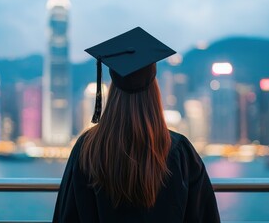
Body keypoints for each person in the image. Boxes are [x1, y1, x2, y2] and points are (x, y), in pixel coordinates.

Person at [53, 27, 220, 223]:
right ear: (155, 92)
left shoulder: (87, 148)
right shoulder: (180, 150)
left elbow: (67, 216)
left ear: (112, 90)